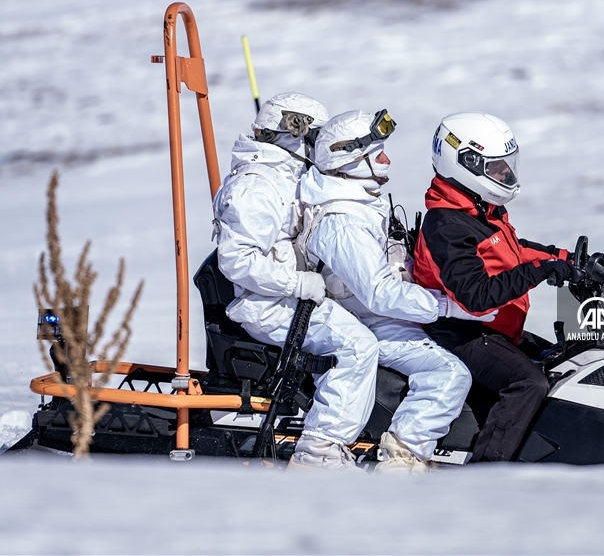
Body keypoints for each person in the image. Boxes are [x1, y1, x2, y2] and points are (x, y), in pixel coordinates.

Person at [300, 109, 474, 473]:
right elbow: (380, 293)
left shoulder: (362, 204)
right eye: (377, 153)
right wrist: (447, 306)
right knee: (449, 374)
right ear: (349, 158)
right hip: (369, 322)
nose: (386, 159)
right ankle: (401, 461)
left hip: (383, 317)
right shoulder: (341, 222)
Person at [213, 92, 380, 471]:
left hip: (289, 298)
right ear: (295, 134)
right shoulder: (259, 184)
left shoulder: (286, 176)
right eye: (315, 138)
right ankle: (319, 452)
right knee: (357, 346)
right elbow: (236, 260)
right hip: (266, 305)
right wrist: (296, 284)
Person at [413, 112, 575, 463]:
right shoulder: (445, 225)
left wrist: (568, 259)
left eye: (507, 165)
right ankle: (488, 473)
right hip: (461, 335)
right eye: (497, 167)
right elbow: (475, 295)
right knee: (528, 384)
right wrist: (540, 270)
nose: (507, 174)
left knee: (569, 359)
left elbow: (512, 251)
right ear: (466, 164)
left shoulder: (478, 209)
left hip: (495, 329)